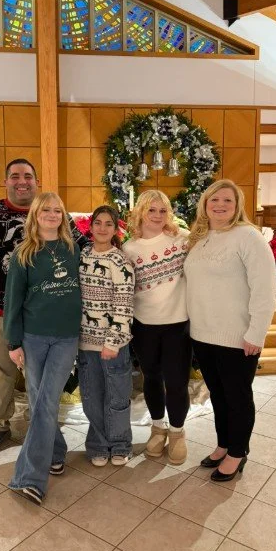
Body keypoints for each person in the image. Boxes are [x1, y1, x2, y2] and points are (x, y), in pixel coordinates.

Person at [0, 159, 87, 454]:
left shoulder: (53, 214)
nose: (22, 181)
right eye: (15, 176)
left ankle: (40, 426)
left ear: (37, 182)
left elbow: (82, 247)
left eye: (28, 176)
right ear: (6, 182)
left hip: (42, 317)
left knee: (39, 379)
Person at [184, 179, 276, 482]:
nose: (220, 205)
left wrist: (257, 333)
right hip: (203, 333)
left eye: (228, 201)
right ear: (205, 204)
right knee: (219, 397)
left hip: (238, 336)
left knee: (237, 397)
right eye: (215, 200)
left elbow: (265, 289)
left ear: (237, 206)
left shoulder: (248, 237)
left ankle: (238, 452)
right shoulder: (199, 238)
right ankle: (223, 443)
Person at [3, 192, 81, 505]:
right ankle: (56, 452)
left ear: (63, 216)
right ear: (35, 215)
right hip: (33, 338)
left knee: (46, 400)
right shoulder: (24, 254)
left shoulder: (75, 249)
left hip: (66, 338)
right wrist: (13, 341)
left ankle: (29, 478)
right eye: (46, 210)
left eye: (57, 210)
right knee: (39, 402)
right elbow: (13, 303)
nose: (52, 214)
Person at [122, 190, 191, 465]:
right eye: (152, 210)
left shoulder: (182, 241)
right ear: (141, 212)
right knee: (151, 378)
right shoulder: (130, 248)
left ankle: (177, 432)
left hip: (178, 324)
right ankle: (158, 427)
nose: (158, 216)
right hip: (145, 325)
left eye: (163, 211)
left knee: (176, 382)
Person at [78, 205, 135, 467]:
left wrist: (112, 342)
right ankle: (98, 444)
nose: (102, 228)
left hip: (113, 343)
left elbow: (123, 303)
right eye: (98, 223)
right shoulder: (81, 257)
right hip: (85, 342)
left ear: (115, 229)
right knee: (92, 396)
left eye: (108, 224)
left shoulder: (120, 261)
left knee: (117, 397)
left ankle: (121, 444)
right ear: (90, 227)